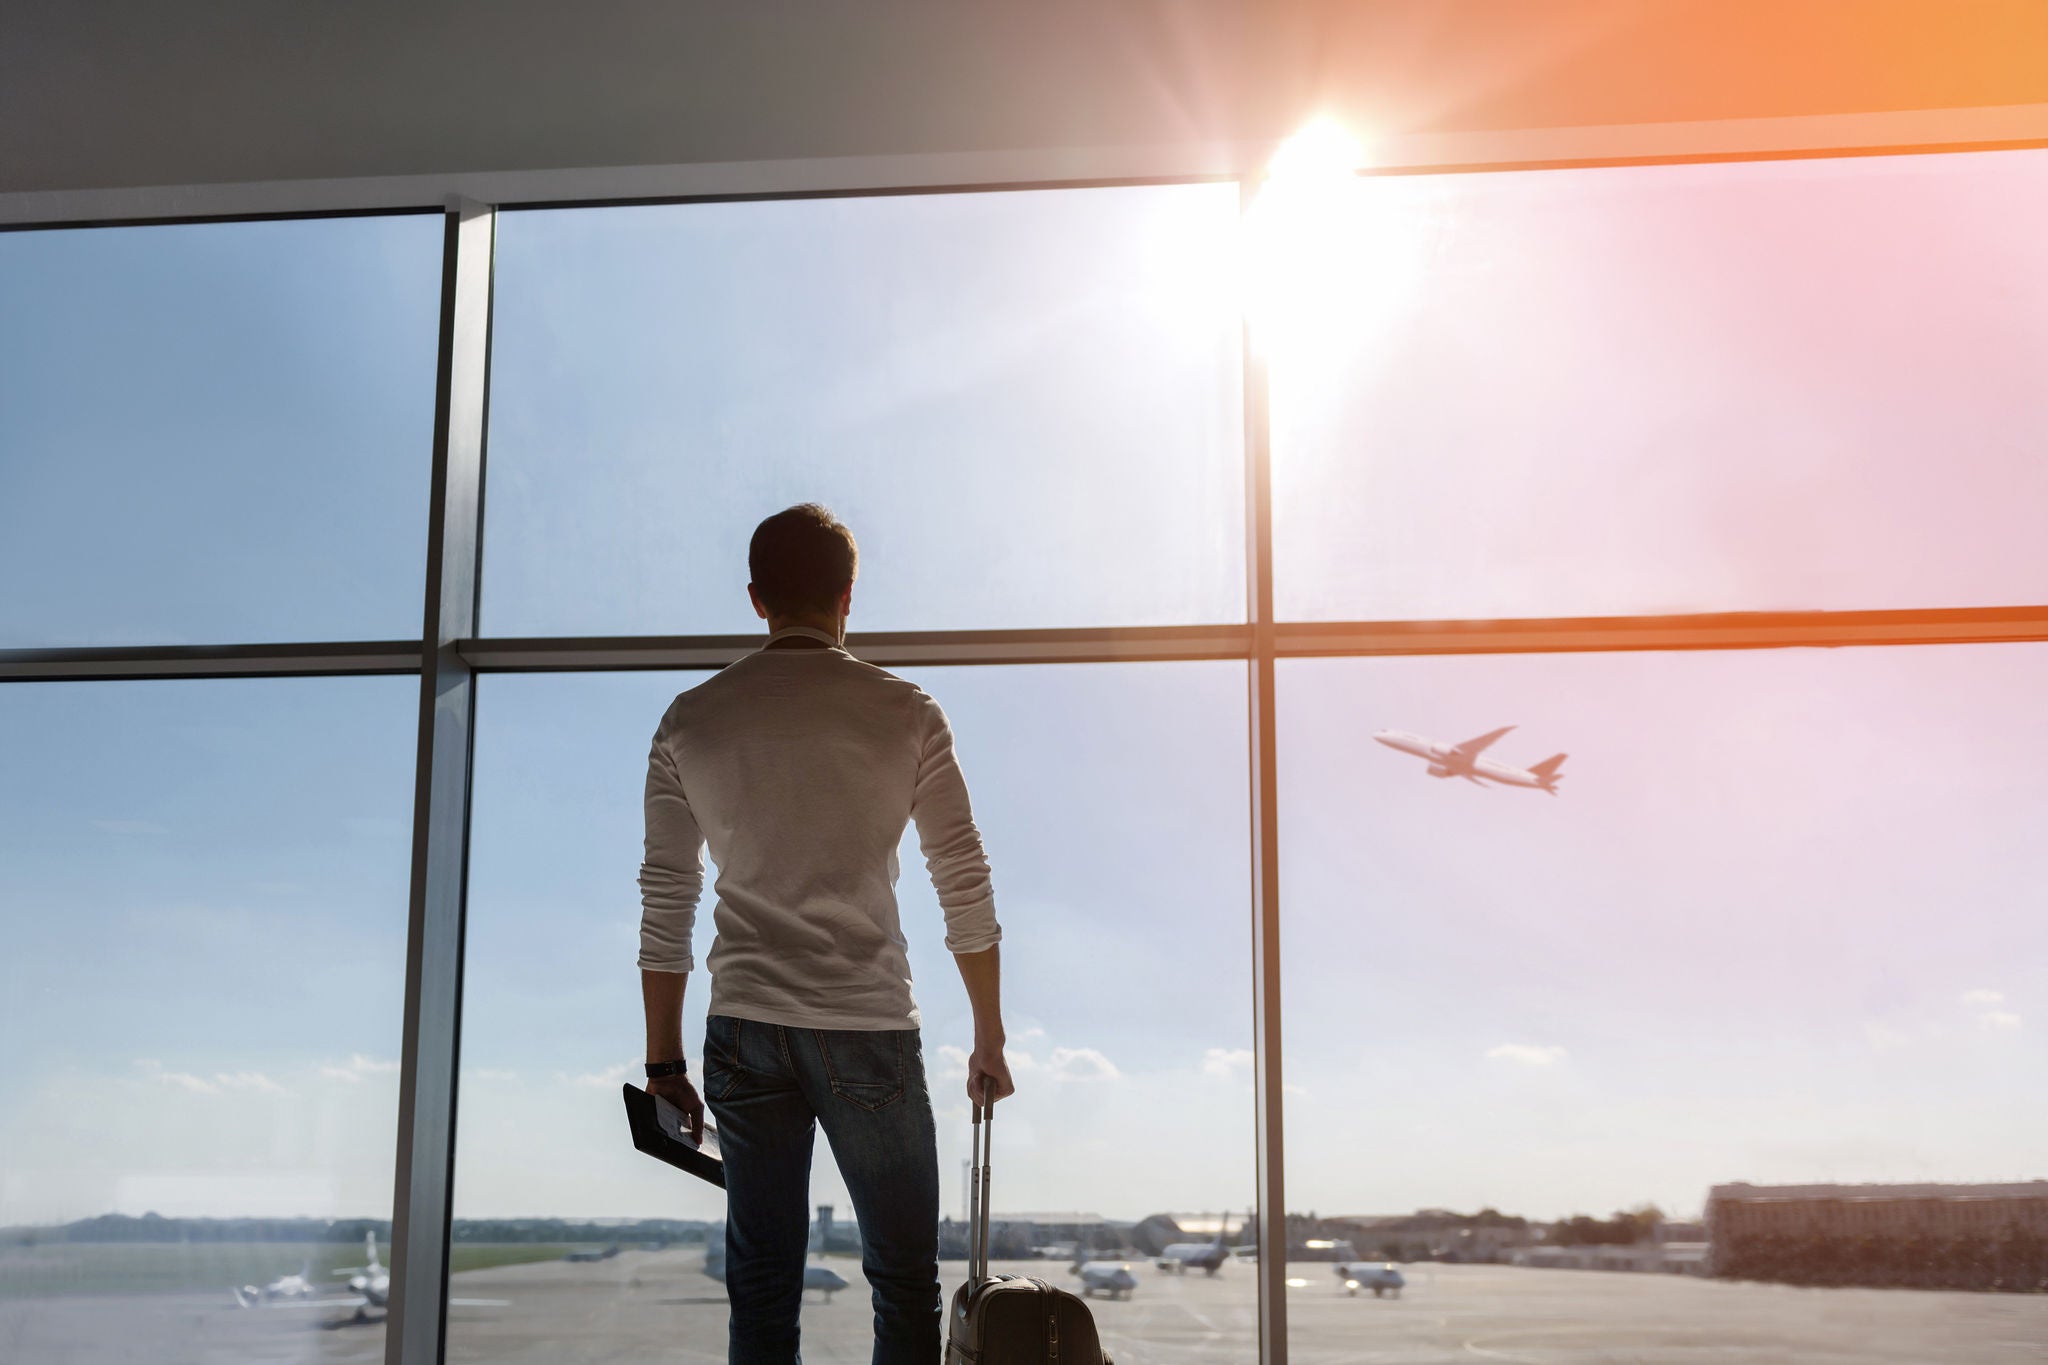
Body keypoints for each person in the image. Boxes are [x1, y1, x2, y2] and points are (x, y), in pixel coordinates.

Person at [637, 503, 1016, 1365]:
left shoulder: (688, 720)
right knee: (902, 1284)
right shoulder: (907, 710)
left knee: (763, 1289)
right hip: (867, 1028)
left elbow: (668, 898)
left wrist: (664, 1063)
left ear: (756, 600)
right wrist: (989, 1033)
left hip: (744, 1032)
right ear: (849, 596)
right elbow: (964, 878)